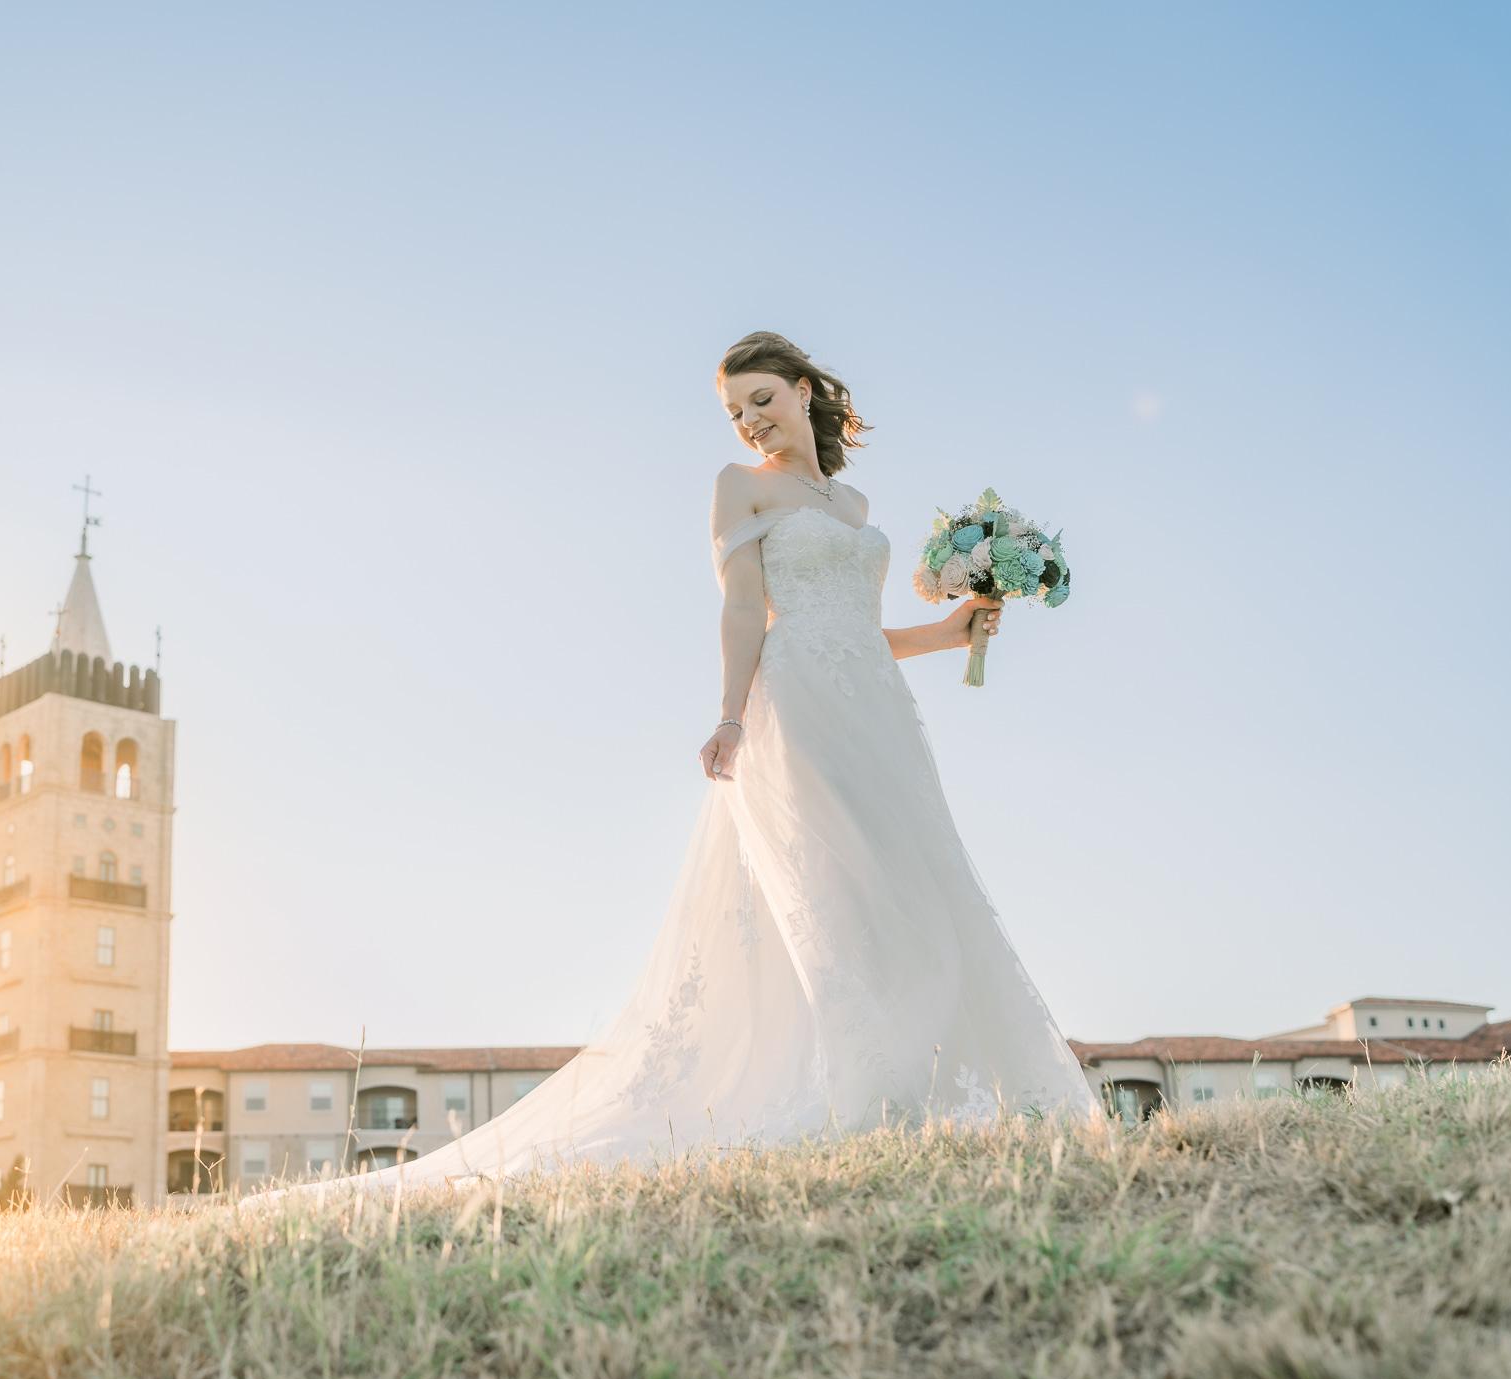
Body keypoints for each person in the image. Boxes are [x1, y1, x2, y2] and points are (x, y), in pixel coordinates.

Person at [239, 330, 1098, 1210]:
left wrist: (950, 633)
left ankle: (923, 1087)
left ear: (804, 392)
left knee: (911, 887)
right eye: (734, 413)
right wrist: (730, 716)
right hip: (799, 704)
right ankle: (869, 1095)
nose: (749, 422)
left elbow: (856, 630)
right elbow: (745, 611)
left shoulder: (852, 503)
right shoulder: (738, 487)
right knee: (845, 889)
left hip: (878, 711)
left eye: (762, 400)